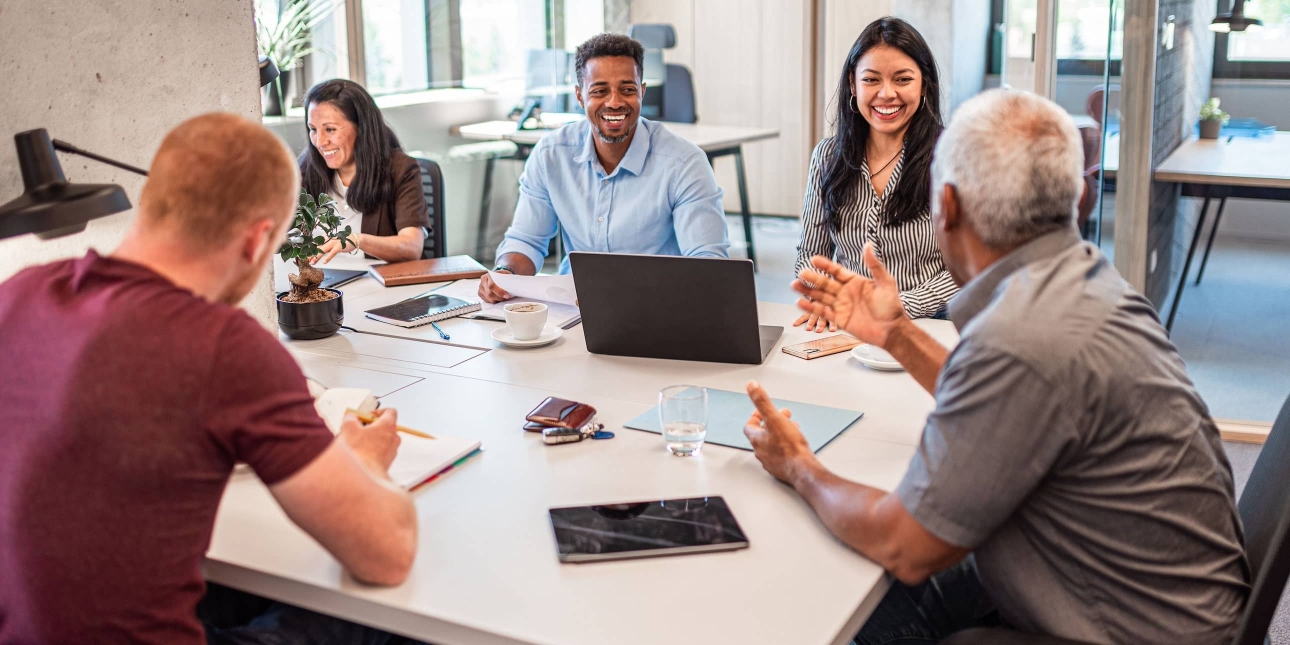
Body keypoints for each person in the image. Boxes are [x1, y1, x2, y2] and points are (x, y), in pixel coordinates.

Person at [744, 90, 1249, 644]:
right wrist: (896, 333)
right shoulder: (1082, 279)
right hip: (1159, 600)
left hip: (1127, 629)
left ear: (949, 206)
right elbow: (1014, 400)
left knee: (852, 593)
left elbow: (905, 546)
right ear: (1078, 197)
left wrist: (798, 465)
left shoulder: (1019, 338)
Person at [0, 113, 420, 645]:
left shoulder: (17, 294)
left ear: (151, 203)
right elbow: (387, 554)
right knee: (379, 618)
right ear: (258, 240)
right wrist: (366, 463)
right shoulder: (223, 345)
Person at [478, 33, 729, 303]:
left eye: (627, 89)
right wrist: (506, 274)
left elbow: (709, 265)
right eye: (599, 91)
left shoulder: (684, 163)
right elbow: (527, 241)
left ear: (642, 91)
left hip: (659, 307)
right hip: (574, 308)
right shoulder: (551, 155)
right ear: (579, 95)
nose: (614, 102)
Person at [794, 17, 958, 333]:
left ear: (924, 84)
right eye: (871, 80)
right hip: (847, 326)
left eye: (902, 79)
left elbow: (966, 267)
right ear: (853, 86)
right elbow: (810, 257)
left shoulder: (954, 157)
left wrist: (899, 306)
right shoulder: (828, 157)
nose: (886, 94)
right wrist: (824, 296)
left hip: (933, 326)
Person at [302, 79, 430, 264]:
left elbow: (412, 248)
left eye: (330, 129)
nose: (320, 141)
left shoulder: (401, 170)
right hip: (324, 285)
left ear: (361, 128)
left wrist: (356, 240)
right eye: (313, 129)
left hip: (380, 285)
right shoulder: (306, 169)